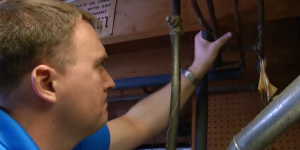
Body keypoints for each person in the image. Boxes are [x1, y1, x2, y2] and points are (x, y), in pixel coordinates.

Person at [0, 0, 232, 149]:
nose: (110, 82)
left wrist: (198, 66)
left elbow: (136, 123)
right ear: (47, 83)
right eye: (97, 66)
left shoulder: (68, 140)